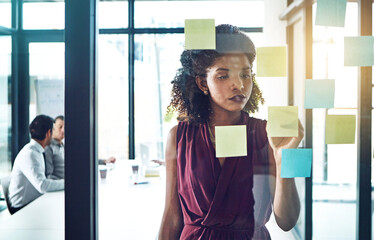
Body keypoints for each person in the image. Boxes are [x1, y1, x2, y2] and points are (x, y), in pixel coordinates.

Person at [158, 24, 304, 240]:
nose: (239, 85)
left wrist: (284, 161)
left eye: (245, 75)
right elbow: (171, 216)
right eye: (223, 76)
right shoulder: (180, 137)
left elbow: (286, 221)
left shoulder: (267, 134)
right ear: (202, 83)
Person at [8, 115, 64, 214]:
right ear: (48, 133)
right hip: (21, 208)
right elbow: (42, 185)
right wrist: (67, 183)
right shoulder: (30, 154)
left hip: (32, 203)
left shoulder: (36, 151)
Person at [44, 115, 116, 180]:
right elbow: (49, 176)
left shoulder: (64, 146)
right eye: (60, 127)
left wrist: (104, 161)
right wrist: (66, 183)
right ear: (53, 129)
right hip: (60, 188)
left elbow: (82, 160)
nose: (63, 130)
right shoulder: (49, 148)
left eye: (65, 127)